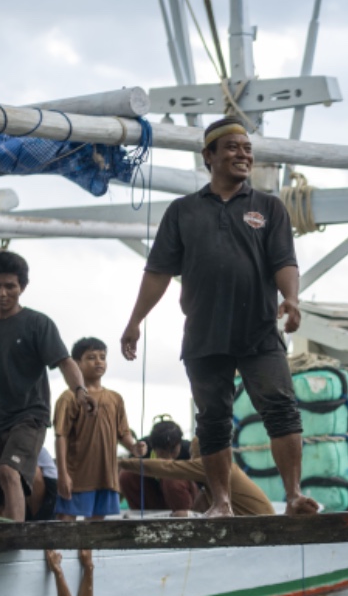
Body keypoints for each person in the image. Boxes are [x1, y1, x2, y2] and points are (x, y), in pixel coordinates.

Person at [121, 117, 319, 518]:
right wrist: (134, 321)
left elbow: (284, 261)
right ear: (208, 155)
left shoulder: (269, 207)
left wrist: (292, 299)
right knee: (212, 421)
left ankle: (294, 495)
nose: (242, 154)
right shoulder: (182, 212)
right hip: (204, 335)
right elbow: (157, 272)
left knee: (281, 408)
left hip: (259, 330)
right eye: (231, 147)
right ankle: (221, 503)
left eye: (247, 148)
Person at [0, 250, 90, 521]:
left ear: (22, 287)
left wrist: (80, 391)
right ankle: (0, 543)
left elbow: (66, 361)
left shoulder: (37, 324)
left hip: (28, 418)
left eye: (9, 286)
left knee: (8, 472)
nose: (2, 293)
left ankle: (17, 539)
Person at [53, 338, 141, 521]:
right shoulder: (69, 397)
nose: (99, 361)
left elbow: (123, 432)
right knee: (65, 522)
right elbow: (61, 436)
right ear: (77, 363)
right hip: (77, 476)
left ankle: (87, 552)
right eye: (91, 357)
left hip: (106, 476)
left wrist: (134, 447)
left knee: (94, 531)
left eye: (102, 357)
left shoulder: (115, 398)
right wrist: (62, 474)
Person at [129, 435, 275, 516]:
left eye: (194, 454)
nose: (192, 457)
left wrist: (121, 463)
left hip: (257, 523)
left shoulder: (210, 464)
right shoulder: (216, 475)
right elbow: (197, 508)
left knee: (174, 490)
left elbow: (167, 467)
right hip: (253, 517)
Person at [119, 419, 200, 515]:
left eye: (173, 451)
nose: (169, 457)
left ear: (180, 444)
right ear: (153, 447)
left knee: (171, 476)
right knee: (127, 475)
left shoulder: (189, 450)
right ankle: (141, 518)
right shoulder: (143, 450)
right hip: (155, 499)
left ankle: (184, 517)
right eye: (162, 453)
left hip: (188, 501)